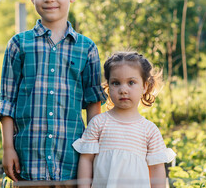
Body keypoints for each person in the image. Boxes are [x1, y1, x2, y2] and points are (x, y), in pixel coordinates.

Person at [0, 0, 107, 187]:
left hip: (72, 161)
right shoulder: (19, 45)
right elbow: (7, 102)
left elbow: (93, 105)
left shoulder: (87, 48)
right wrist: (8, 148)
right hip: (28, 161)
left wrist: (93, 154)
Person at [73, 51, 176, 188]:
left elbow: (157, 170)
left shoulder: (150, 130)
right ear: (108, 86)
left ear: (144, 86)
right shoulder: (99, 123)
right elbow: (86, 160)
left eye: (131, 82)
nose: (123, 90)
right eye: (116, 83)